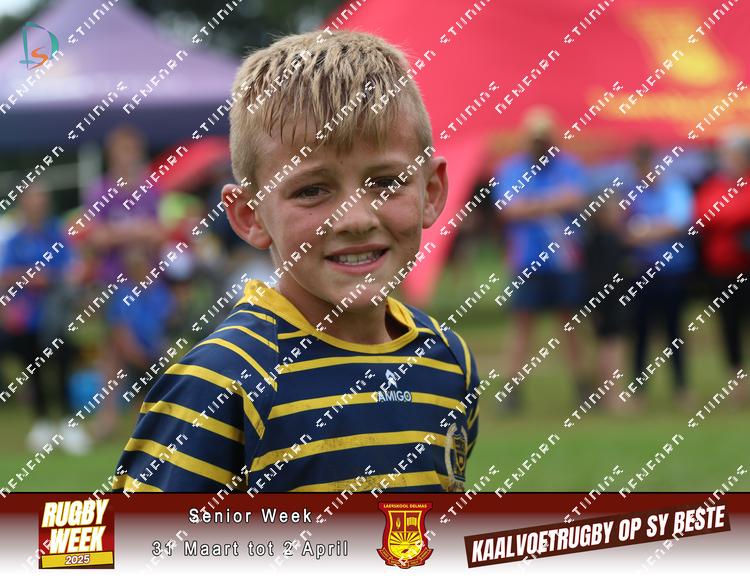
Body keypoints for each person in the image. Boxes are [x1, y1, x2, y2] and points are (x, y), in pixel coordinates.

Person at [112, 30, 479, 493]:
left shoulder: (449, 363)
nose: (356, 219)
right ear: (250, 216)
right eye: (312, 190)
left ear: (431, 191)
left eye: (386, 182)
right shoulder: (218, 383)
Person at [494, 108, 589, 410]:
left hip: (564, 260)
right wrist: (553, 202)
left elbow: (576, 198)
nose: (540, 145)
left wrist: (531, 205)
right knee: (522, 325)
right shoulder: (512, 168)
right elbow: (509, 209)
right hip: (527, 260)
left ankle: (582, 386)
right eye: (536, 140)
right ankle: (512, 392)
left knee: (570, 325)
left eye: (544, 139)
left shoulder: (569, 165)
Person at [0, 184, 91, 454]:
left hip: (56, 315)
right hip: (26, 317)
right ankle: (41, 422)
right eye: (32, 200)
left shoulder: (56, 235)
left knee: (62, 365)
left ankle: (68, 422)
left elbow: (69, 272)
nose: (37, 205)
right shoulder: (14, 239)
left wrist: (40, 278)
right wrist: (33, 277)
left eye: (41, 200)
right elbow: (5, 275)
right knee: (33, 368)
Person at [624, 143, 695, 407]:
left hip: (672, 272)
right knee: (639, 332)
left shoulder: (675, 188)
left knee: (674, 332)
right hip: (641, 272)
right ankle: (638, 391)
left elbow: (678, 224)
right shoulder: (631, 193)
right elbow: (623, 231)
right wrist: (653, 231)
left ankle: (681, 388)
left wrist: (644, 232)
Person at [693, 130, 750, 404]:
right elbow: (704, 215)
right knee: (729, 327)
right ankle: (737, 385)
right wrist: (736, 219)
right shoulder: (713, 185)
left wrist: (727, 218)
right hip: (722, 271)